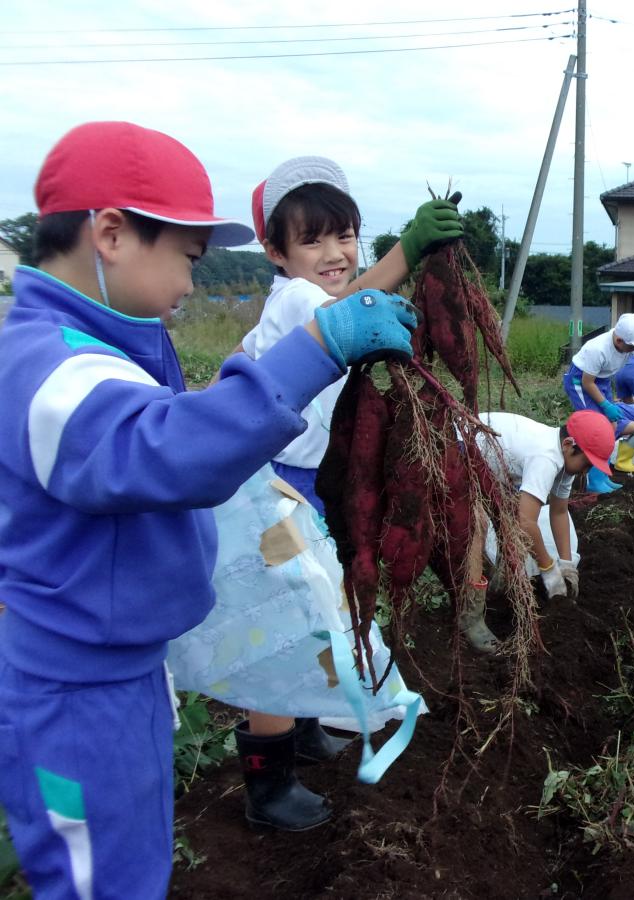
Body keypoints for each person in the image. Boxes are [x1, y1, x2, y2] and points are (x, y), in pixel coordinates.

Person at [0, 122, 421, 896]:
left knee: (132, 867)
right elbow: (165, 449)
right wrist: (319, 347)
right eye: (188, 260)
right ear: (112, 234)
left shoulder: (113, 344)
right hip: (76, 698)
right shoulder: (50, 366)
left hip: (119, 677)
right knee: (100, 883)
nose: (193, 284)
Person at [232, 156, 462, 831]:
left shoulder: (303, 295)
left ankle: (300, 733)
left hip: (294, 481)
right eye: (313, 240)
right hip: (266, 487)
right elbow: (346, 306)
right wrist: (409, 249)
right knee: (281, 628)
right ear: (276, 252)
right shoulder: (299, 299)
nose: (334, 253)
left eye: (346, 235)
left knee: (307, 614)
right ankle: (267, 788)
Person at [467, 410, 615, 641]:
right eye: (586, 463)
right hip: (456, 449)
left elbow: (559, 511)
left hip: (489, 467)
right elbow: (526, 522)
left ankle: (499, 579)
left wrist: (566, 565)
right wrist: (548, 569)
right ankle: (471, 618)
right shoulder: (546, 457)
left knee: (511, 516)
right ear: (569, 444)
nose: (586, 471)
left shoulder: (564, 460)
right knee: (477, 524)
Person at [563, 312, 634, 492]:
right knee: (598, 428)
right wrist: (605, 405)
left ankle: (601, 475)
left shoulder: (629, 342)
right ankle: (590, 479)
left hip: (601, 380)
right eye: (632, 347)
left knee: (612, 426)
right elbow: (587, 383)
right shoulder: (599, 349)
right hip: (580, 382)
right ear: (619, 341)